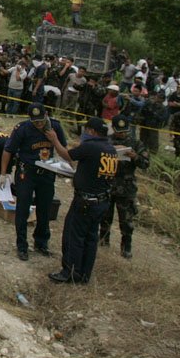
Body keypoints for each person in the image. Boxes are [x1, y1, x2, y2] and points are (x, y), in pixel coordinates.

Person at [46, 117, 118, 283]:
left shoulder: (90, 146)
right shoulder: (111, 150)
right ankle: (85, 274)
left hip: (86, 201)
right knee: (90, 238)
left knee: (74, 236)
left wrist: (55, 139)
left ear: (92, 131)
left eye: (86, 130)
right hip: (102, 201)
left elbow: (66, 154)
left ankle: (70, 272)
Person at [0, 103, 67, 261]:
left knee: (44, 209)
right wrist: (3, 173)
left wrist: (54, 139)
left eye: (41, 121)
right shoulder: (22, 128)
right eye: (35, 122)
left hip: (47, 173)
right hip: (27, 172)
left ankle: (41, 242)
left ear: (47, 114)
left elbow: (64, 150)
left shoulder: (55, 126)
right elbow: (8, 150)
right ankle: (22, 245)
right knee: (23, 209)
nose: (39, 124)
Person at [99, 115, 149, 258]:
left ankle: (126, 247)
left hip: (126, 187)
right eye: (119, 131)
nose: (122, 134)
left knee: (126, 220)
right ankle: (103, 241)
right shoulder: (106, 141)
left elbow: (145, 163)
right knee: (104, 216)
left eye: (124, 131)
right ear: (113, 128)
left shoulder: (136, 143)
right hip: (107, 184)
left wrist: (134, 156)